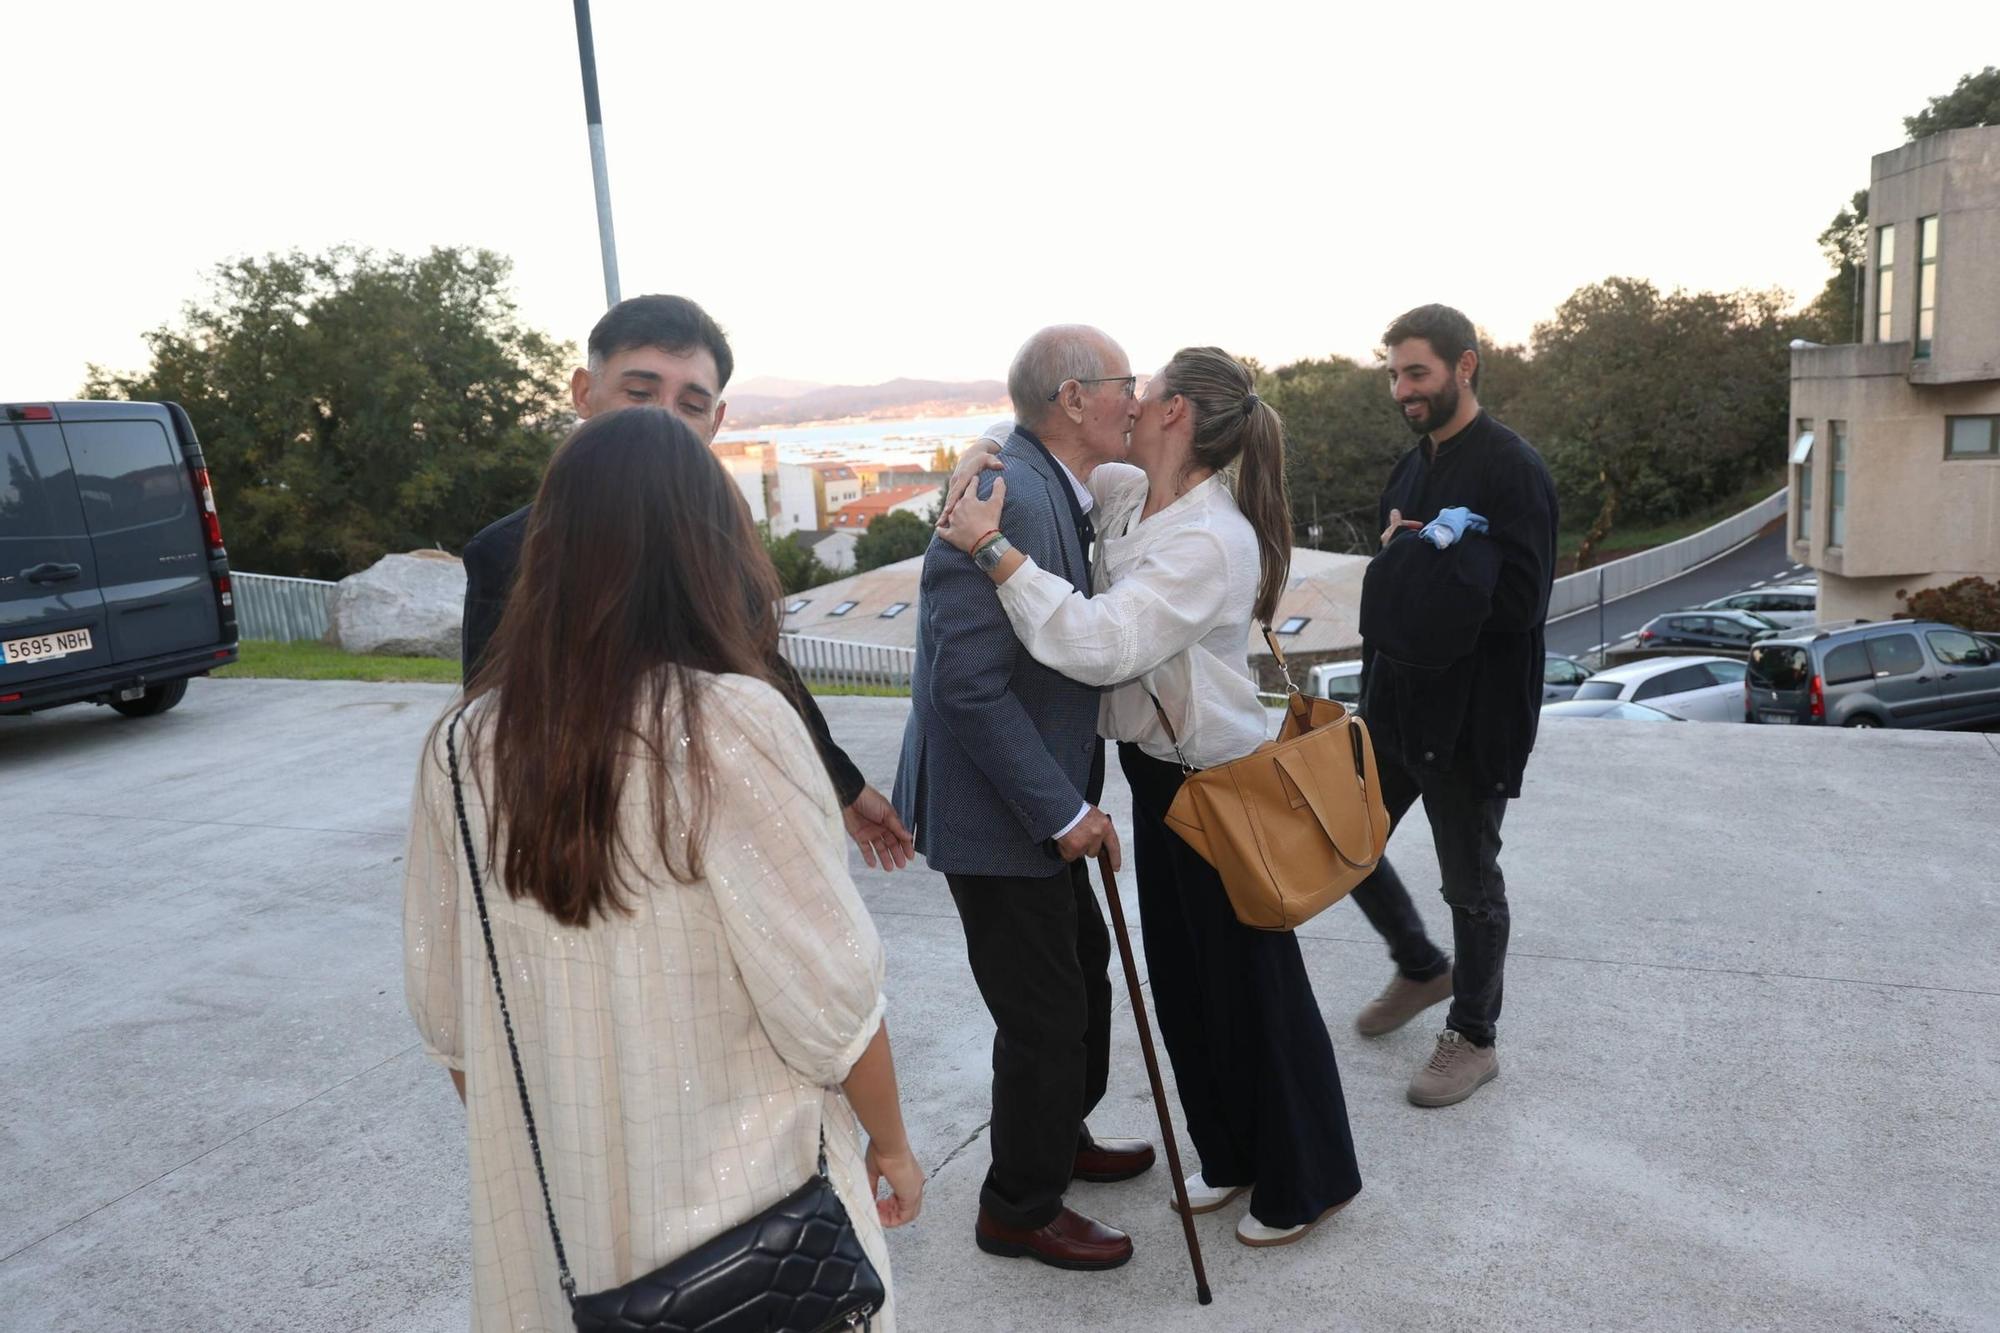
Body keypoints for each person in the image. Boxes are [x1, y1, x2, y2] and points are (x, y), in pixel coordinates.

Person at [405, 408, 922, 1332]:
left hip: (560, 1228)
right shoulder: (734, 722)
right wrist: (893, 1143)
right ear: (707, 543)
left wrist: (560, 1155)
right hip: (752, 1216)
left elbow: (453, 1024)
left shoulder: (460, 744)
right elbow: (832, 1000)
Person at [935, 347, 1364, 1247]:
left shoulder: (1210, 539)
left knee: (1255, 989)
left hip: (1220, 780)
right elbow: (1039, 434)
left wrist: (992, 548)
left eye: (1147, 385)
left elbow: (1099, 644)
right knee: (1185, 985)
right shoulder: (1134, 493)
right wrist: (982, 451)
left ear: (1174, 413)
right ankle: (1233, 1154)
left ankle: (1307, 1177)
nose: (1130, 398)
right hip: (1157, 776)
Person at [459, 294, 914, 872]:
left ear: (716, 423)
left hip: (724, 853)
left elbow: (765, 669)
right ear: (583, 393)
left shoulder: (723, 545)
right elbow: (488, 738)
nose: (661, 419)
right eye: (640, 393)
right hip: (584, 868)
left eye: (691, 404)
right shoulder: (507, 554)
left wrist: (843, 787)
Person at [892, 325, 1152, 1272]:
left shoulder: (1044, 478)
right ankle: (1017, 1207)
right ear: (1076, 397)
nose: (1139, 398)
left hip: (1031, 805)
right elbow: (964, 685)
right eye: (1128, 383)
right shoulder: (1006, 492)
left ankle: (1058, 1137)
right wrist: (1061, 809)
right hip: (999, 812)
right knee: (1044, 1014)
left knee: (1078, 980)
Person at [1344, 304, 1557, 1107]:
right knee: (1343, 843)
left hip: (1474, 717)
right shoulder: (1410, 468)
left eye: (1417, 372)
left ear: (1465, 366)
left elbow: (1523, 602)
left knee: (1470, 882)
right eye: (1395, 374)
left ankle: (1473, 1036)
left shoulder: (1512, 469)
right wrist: (1420, 556)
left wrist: (1423, 557)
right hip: (1395, 709)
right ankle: (1420, 964)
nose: (1403, 389)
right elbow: (1394, 592)